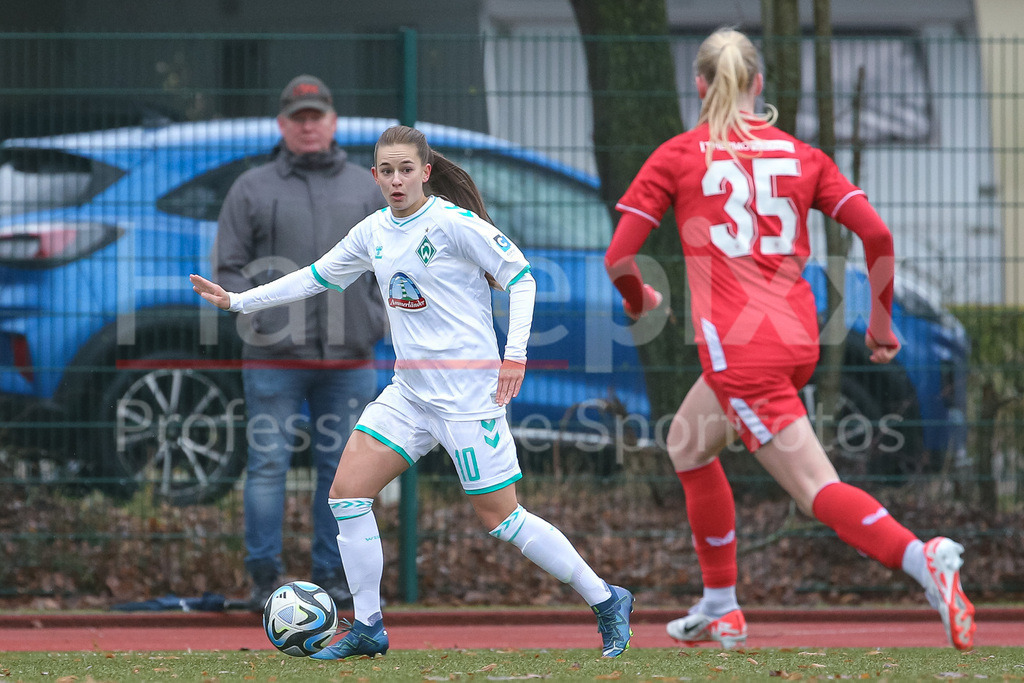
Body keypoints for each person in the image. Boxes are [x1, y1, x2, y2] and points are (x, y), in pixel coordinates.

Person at [192, 124, 634, 659]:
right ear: (375, 175)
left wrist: (514, 356)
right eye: (386, 171)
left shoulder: (453, 224)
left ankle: (607, 599)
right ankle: (368, 627)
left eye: (406, 170)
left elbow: (521, 276)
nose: (396, 180)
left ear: (425, 172)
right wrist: (239, 302)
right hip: (410, 394)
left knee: (503, 519)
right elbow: (314, 276)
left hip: (468, 399)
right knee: (346, 496)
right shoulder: (373, 231)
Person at [605, 28, 975, 651]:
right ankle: (721, 606)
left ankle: (923, 558)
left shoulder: (678, 155)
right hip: (797, 336)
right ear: (758, 84)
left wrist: (643, 299)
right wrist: (881, 326)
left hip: (738, 349)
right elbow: (878, 237)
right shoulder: (803, 155)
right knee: (687, 445)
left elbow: (621, 257)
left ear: (699, 86)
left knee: (813, 489)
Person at [213, 74, 388, 612]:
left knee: (343, 475)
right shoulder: (251, 187)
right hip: (273, 360)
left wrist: (373, 319)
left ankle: (332, 581)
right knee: (268, 466)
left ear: (333, 123)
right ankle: (263, 580)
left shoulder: (366, 186)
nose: (309, 126)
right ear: (283, 125)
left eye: (317, 116)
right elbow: (228, 267)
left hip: (350, 358)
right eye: (299, 117)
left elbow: (393, 263)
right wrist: (263, 324)